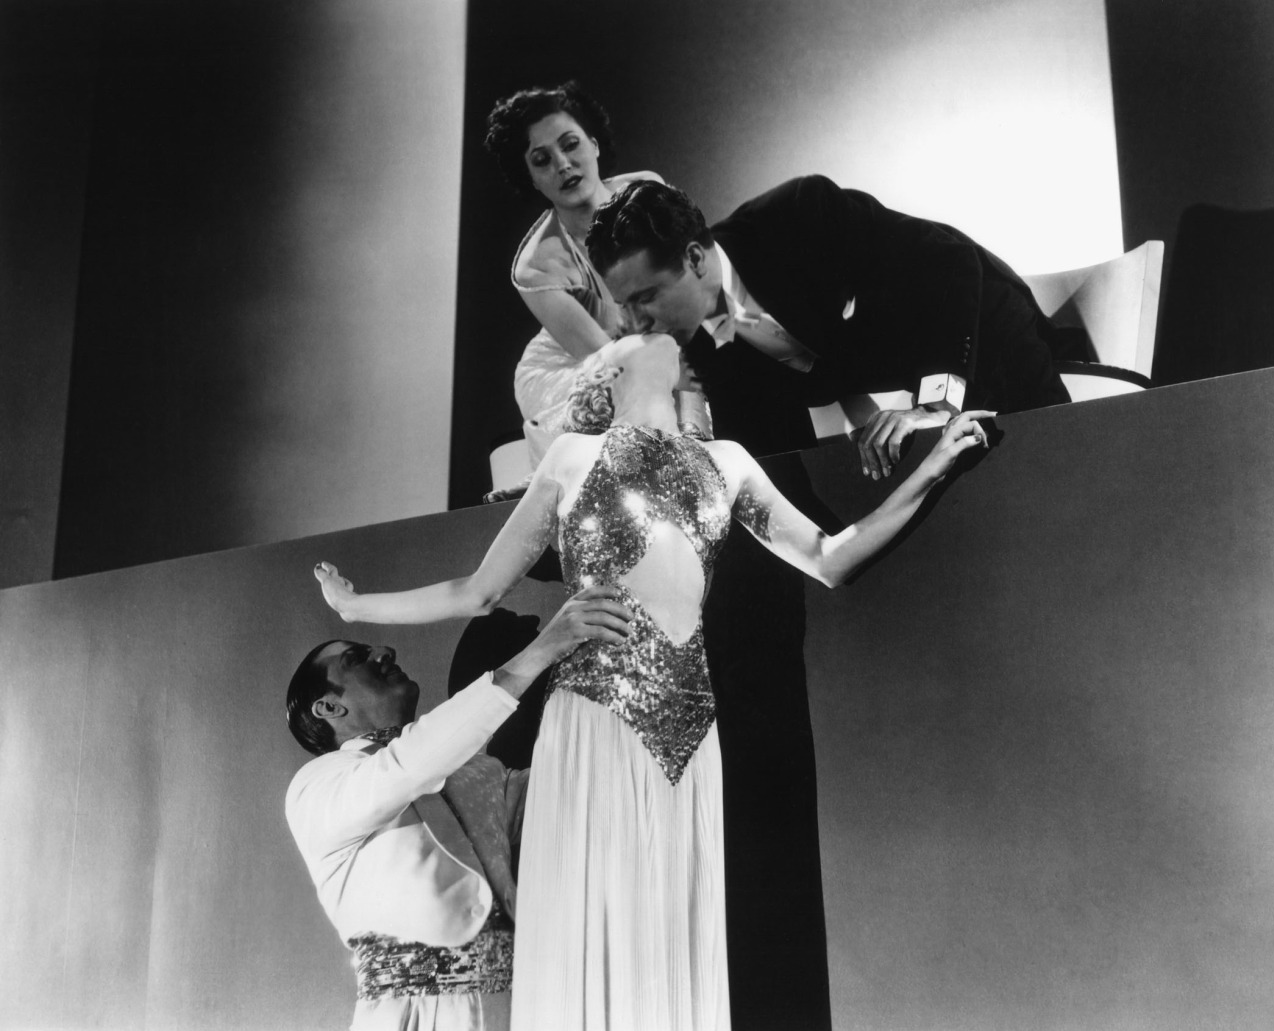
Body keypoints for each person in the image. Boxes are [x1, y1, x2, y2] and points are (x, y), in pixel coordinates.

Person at [314, 333, 994, 1031]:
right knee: (598, 923)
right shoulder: (570, 457)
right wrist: (358, 607)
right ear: (608, 373)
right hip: (595, 718)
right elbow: (478, 592)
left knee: (677, 940)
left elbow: (829, 558)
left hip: (693, 732)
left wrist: (933, 467)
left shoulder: (729, 463)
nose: (669, 334)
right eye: (641, 332)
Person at [284, 586, 632, 1031]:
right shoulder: (316, 787)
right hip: (410, 1016)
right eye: (357, 658)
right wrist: (539, 652)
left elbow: (576, 790)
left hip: (520, 1010)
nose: (384, 651)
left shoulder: (482, 772)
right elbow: (407, 766)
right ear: (329, 707)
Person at [586, 176, 1073, 479]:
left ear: (695, 259)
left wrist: (934, 404)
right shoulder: (697, 341)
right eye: (625, 305)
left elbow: (950, 263)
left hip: (985, 326)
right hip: (902, 383)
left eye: (645, 297)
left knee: (1056, 472)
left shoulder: (802, 214)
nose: (636, 323)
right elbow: (770, 459)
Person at [484, 82, 706, 469]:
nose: (562, 165)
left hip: (655, 339)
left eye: (570, 145)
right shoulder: (536, 266)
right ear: (531, 178)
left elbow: (697, 280)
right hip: (579, 366)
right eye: (542, 160)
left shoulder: (647, 190)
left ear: (594, 144)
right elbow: (613, 364)